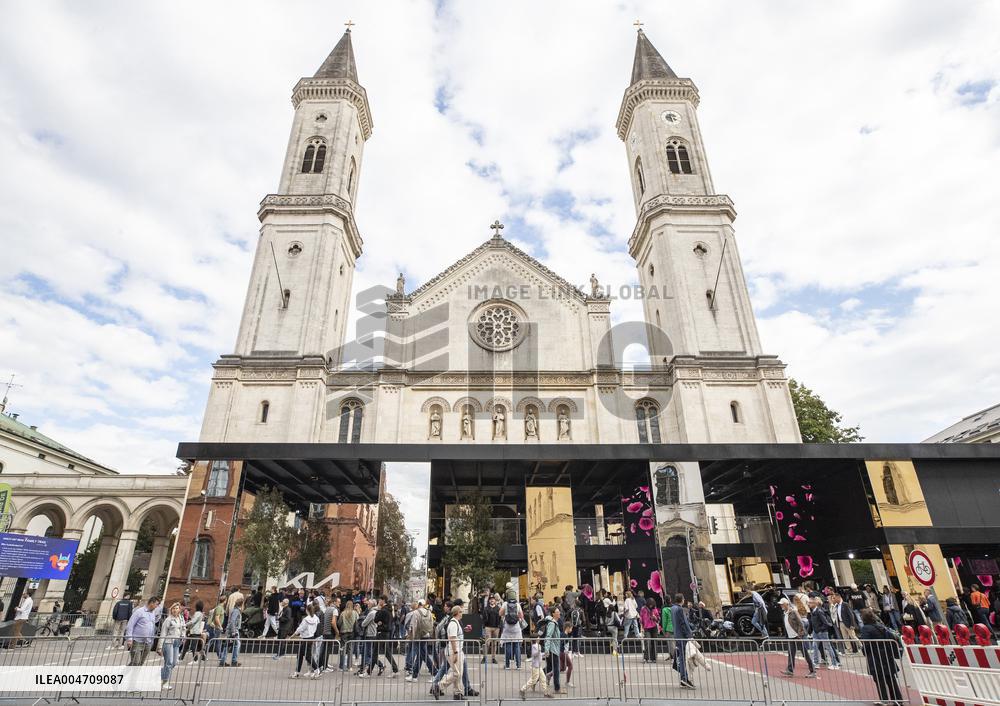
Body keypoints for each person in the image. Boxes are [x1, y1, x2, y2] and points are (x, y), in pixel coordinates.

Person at [858, 608, 903, 704]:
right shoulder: (880, 625)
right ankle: (898, 699)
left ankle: (884, 700)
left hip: (875, 657)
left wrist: (864, 651)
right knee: (891, 679)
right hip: (886, 655)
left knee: (879, 680)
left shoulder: (866, 629)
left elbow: (866, 644)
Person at [433, 605, 466, 700]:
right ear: (457, 613)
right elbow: (452, 638)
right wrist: (455, 652)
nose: (462, 613)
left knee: (459, 673)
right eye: (461, 612)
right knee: (457, 673)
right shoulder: (453, 624)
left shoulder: (455, 622)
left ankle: (457, 693)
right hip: (453, 650)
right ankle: (439, 686)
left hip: (457, 650)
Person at [778, 597, 816, 678]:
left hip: (797, 636)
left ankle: (813, 671)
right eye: (780, 604)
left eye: (782, 604)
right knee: (791, 653)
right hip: (791, 637)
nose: (781, 606)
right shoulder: (784, 614)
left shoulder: (793, 612)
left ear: (787, 604)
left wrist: (800, 634)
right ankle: (790, 670)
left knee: (805, 653)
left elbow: (800, 623)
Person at [125, 596, 160, 666]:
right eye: (156, 604)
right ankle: (130, 673)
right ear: (151, 603)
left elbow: (152, 626)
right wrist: (129, 639)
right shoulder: (139, 611)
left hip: (147, 642)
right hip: (137, 641)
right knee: (136, 662)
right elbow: (130, 625)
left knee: (140, 663)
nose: (157, 606)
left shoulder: (153, 613)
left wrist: (152, 640)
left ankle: (126, 672)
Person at [407, 599, 436, 681]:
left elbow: (413, 625)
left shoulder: (416, 612)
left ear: (418, 604)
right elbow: (431, 623)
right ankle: (414, 675)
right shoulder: (428, 612)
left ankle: (435, 673)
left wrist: (411, 636)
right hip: (426, 635)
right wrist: (429, 633)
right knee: (420, 655)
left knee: (424, 655)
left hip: (418, 636)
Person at [289, 602, 321, 679]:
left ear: (307, 610)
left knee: (304, 656)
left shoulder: (305, 619)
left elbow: (299, 629)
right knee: (304, 655)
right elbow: (317, 626)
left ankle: (316, 670)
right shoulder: (316, 618)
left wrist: (292, 636)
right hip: (311, 637)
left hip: (305, 638)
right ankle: (298, 672)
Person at [807, 597, 840, 668]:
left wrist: (820, 629)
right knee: (815, 647)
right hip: (816, 632)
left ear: (815, 603)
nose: (809, 604)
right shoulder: (813, 611)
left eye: (810, 603)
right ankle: (816, 662)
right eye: (809, 603)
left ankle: (834, 664)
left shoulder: (819, 611)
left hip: (822, 632)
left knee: (828, 647)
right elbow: (812, 623)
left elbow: (825, 623)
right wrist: (811, 631)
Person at [158, 602, 184, 691]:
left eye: (177, 608)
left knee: (174, 663)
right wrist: (159, 647)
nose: (175, 610)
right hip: (168, 642)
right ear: (171, 610)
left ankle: (160, 674)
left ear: (179, 610)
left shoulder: (181, 618)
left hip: (177, 642)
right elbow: (163, 633)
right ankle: (164, 682)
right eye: (173, 608)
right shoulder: (168, 620)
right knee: (169, 662)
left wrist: (183, 636)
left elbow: (183, 628)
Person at [671, 594, 695, 689]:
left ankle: (684, 678)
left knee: (681, 657)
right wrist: (688, 635)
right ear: (681, 600)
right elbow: (683, 623)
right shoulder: (679, 609)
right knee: (683, 658)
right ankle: (684, 678)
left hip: (677, 635)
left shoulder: (673, 608)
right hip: (682, 636)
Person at [538, 607, 562, 695]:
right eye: (557, 612)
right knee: (556, 668)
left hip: (553, 648)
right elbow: (548, 637)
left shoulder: (553, 622)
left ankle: (534, 679)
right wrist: (547, 650)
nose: (559, 613)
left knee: (549, 667)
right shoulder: (552, 623)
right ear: (553, 614)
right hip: (552, 649)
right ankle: (557, 688)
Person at [500, 594, 524, 669]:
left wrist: (505, 613)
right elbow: (521, 616)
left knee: (508, 645)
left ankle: (507, 665)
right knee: (517, 646)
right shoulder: (518, 604)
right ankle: (518, 665)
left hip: (507, 628)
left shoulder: (505, 604)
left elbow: (500, 613)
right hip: (516, 628)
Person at [219, 596, 243, 667]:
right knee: (236, 645)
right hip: (233, 630)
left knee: (228, 645)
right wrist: (233, 632)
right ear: (241, 604)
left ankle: (223, 661)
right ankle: (233, 661)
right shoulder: (236, 611)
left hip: (230, 630)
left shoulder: (235, 610)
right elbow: (232, 621)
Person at [337, 600, 358, 671]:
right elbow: (357, 622)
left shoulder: (343, 613)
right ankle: (349, 667)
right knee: (350, 649)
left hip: (344, 632)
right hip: (352, 632)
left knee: (343, 649)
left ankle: (342, 666)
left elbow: (339, 623)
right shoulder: (355, 613)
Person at [639, 597, 660, 662]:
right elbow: (641, 619)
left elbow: (658, 619)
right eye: (650, 604)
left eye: (652, 604)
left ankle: (654, 658)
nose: (651, 605)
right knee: (648, 642)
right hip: (646, 627)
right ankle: (646, 657)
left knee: (654, 642)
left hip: (654, 627)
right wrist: (641, 627)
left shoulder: (655, 609)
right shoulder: (643, 609)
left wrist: (655, 617)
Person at [481, 595, 501, 664]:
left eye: (493, 599)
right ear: (489, 601)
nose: (492, 600)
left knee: (494, 643)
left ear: (495, 600)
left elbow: (500, 617)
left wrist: (499, 626)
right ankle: (484, 657)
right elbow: (483, 618)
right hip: (488, 627)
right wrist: (484, 625)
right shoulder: (486, 608)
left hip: (496, 627)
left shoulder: (498, 608)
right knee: (487, 643)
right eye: (491, 599)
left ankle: (493, 658)